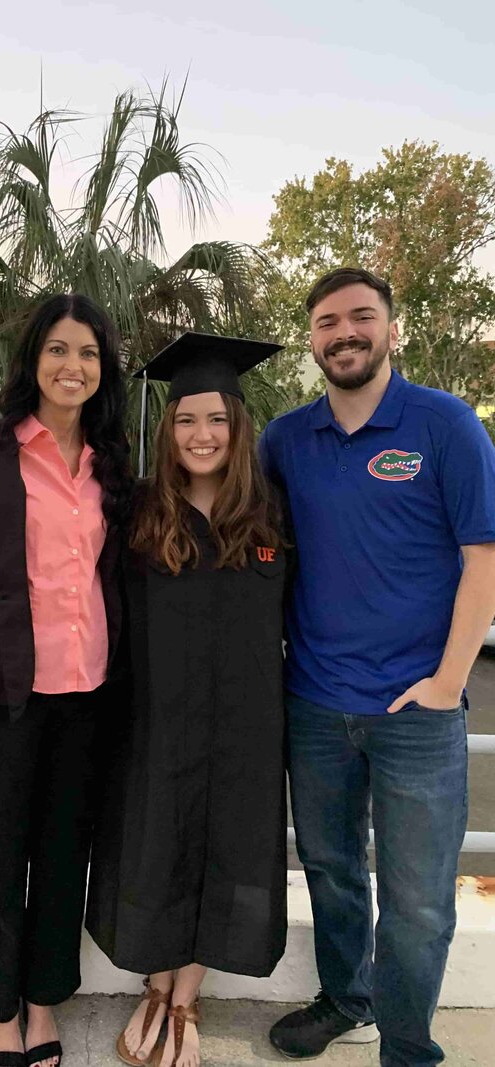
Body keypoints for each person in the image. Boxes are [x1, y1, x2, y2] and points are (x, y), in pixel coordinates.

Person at [259, 267, 495, 1066]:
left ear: (393, 330)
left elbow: (484, 561)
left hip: (418, 714)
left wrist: (448, 683)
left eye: (362, 317)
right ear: (314, 340)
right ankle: (345, 996)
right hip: (315, 703)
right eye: (328, 322)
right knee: (330, 868)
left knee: (421, 903)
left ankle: (406, 1046)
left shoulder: (446, 425)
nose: (345, 332)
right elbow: (231, 533)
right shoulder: (285, 439)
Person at [0, 293, 133, 1067]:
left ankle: (45, 1001)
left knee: (62, 854)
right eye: (57, 349)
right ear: (33, 361)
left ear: (101, 368)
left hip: (89, 690)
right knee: (2, 850)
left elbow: (120, 576)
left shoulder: (112, 465)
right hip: (2, 689)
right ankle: (0, 1011)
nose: (71, 365)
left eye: (86, 352)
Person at [85, 332, 289, 1067]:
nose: (201, 434)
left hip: (247, 730)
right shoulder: (138, 514)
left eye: (217, 420)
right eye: (185, 420)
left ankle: (184, 997)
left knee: (228, 849)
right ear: (168, 430)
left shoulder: (273, 514)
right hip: (154, 727)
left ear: (238, 428)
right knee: (159, 847)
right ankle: (156, 981)